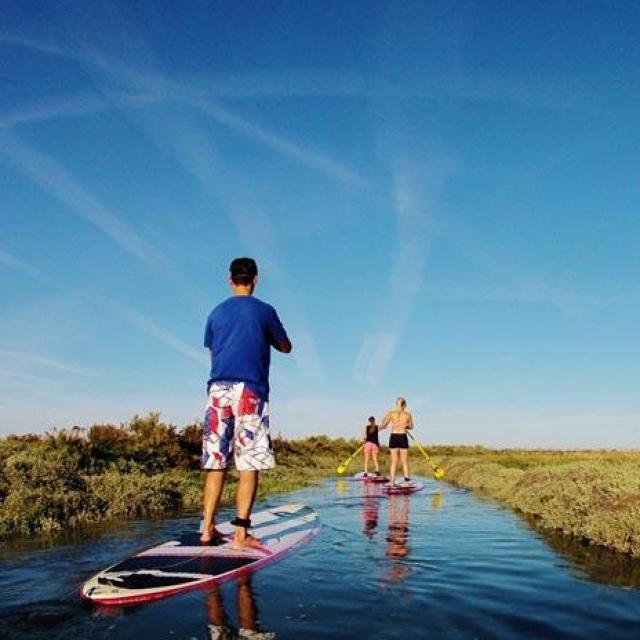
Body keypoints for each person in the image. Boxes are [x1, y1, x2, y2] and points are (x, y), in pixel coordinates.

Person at [201, 257, 292, 548]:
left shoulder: (216, 313)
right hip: (250, 390)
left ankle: (207, 529)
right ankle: (240, 533)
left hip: (217, 389)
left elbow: (214, 354)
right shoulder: (264, 311)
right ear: (255, 279)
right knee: (248, 462)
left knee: (217, 462)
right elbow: (286, 346)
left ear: (230, 280)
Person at [380, 397, 413, 486]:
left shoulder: (391, 413)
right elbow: (410, 427)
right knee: (404, 461)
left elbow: (384, 425)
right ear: (404, 405)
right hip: (402, 436)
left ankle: (392, 482)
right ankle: (407, 481)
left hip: (394, 436)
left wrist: (385, 417)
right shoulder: (408, 414)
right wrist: (405, 426)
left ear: (396, 404)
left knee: (394, 461)